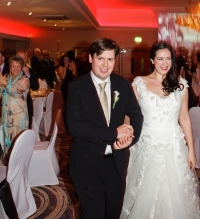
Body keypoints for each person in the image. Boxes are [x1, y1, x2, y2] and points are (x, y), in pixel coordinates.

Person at [120, 41, 200, 219]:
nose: (165, 63)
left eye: (168, 59)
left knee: (175, 193)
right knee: (143, 193)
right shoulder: (139, 84)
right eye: (160, 58)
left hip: (174, 146)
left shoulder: (181, 85)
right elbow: (129, 116)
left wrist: (192, 151)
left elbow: (184, 119)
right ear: (152, 60)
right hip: (146, 146)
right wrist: (125, 135)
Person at [66, 37, 143, 219]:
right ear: (91, 58)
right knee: (93, 213)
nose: (105, 64)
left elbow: (137, 115)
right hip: (87, 163)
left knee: (112, 213)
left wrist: (131, 139)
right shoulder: (76, 87)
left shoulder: (123, 85)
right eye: (101, 58)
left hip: (116, 162)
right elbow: (74, 126)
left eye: (110, 59)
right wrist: (114, 133)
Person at [0, 55, 29, 153]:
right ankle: (9, 162)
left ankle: (18, 165)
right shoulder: (7, 78)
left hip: (18, 116)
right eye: (13, 66)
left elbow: (16, 93)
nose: (16, 69)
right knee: (7, 140)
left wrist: (4, 83)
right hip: (6, 114)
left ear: (21, 67)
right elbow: (2, 93)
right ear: (10, 67)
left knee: (17, 141)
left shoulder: (24, 79)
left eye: (18, 66)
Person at [16, 51, 39, 128]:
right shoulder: (10, 72)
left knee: (26, 127)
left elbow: (35, 87)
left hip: (26, 103)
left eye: (23, 58)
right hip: (13, 105)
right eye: (19, 58)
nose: (22, 60)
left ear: (26, 60)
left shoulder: (32, 72)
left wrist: (28, 75)